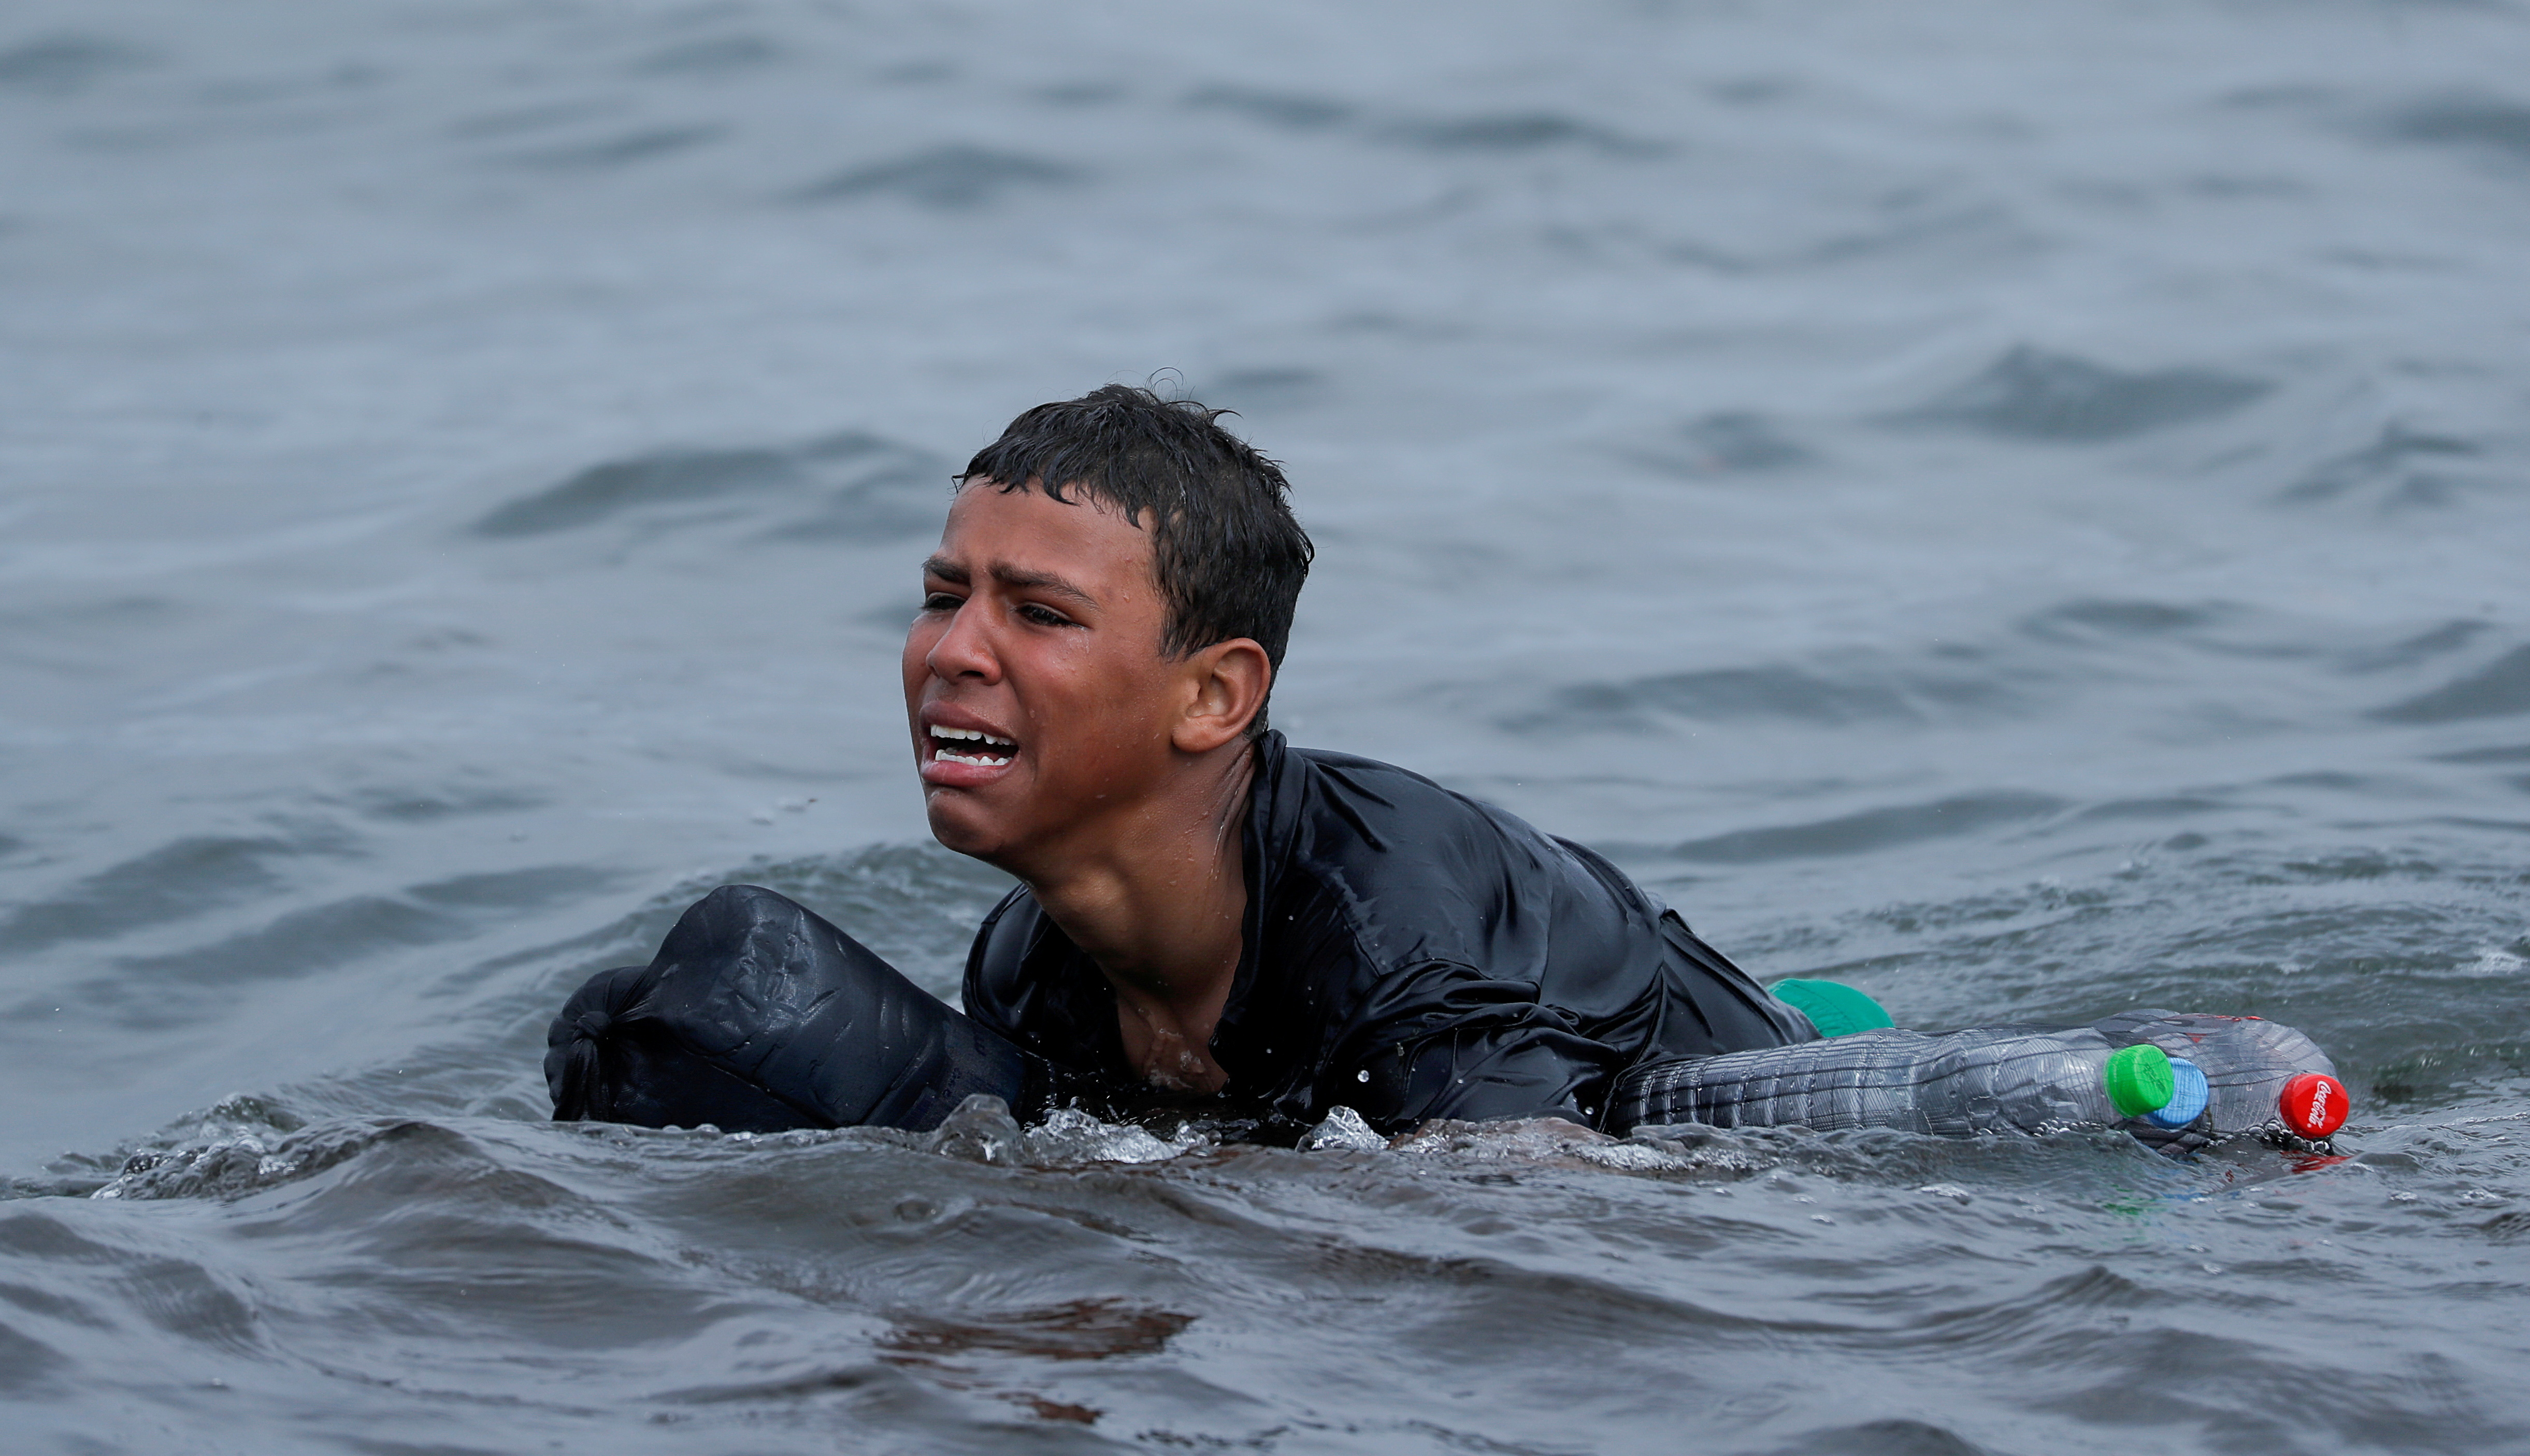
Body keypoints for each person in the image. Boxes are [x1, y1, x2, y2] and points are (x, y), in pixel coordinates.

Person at [546, 385, 1814, 1138]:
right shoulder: (1027, 968)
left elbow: (1549, 1258)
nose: (953, 651)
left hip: (1752, 1077)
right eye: (944, 596)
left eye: (1037, 613)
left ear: (1215, 694)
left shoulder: (1390, 926)